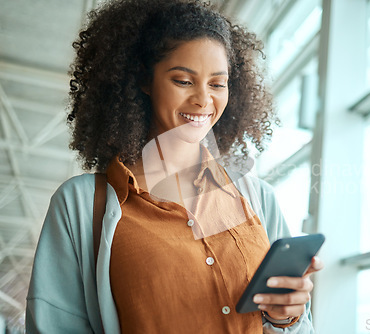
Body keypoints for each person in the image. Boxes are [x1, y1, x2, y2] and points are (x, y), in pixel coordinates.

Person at [26, 0, 323, 333]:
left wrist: (285, 318)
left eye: (217, 83)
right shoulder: (81, 205)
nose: (203, 100)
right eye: (183, 81)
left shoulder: (259, 200)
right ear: (143, 80)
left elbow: (299, 327)